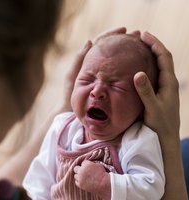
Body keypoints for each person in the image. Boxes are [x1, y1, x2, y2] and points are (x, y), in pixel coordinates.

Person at [0, 0, 189, 199]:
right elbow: (40, 174)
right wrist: (169, 145)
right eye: (43, 52)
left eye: (116, 87)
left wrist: (66, 107)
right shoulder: (63, 132)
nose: (97, 90)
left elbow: (28, 178)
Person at [23, 34, 165, 200]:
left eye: (116, 86)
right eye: (86, 80)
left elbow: (151, 189)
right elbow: (39, 180)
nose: (97, 91)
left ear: (143, 104)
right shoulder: (63, 128)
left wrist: (105, 183)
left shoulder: (137, 140)